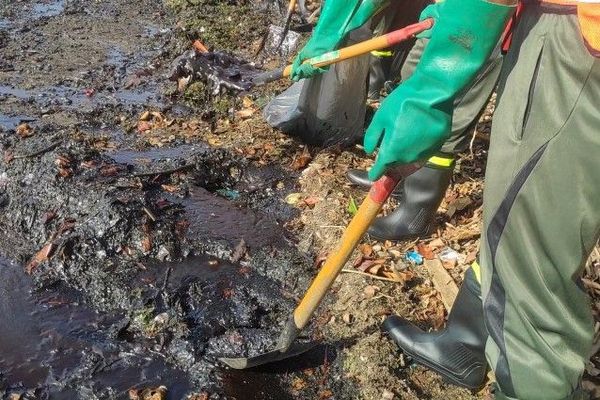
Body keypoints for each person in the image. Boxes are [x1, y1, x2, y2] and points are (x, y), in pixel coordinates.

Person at [292, 0, 600, 398]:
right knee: (509, 222)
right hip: (561, 27)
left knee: (530, 260)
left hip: (580, 40)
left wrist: (433, 86)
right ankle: (467, 339)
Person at [293, 0, 504, 242]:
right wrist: (329, 33)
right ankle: (401, 179)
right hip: (448, 11)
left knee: (447, 114)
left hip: (483, 21)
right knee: (412, 75)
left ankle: (416, 216)